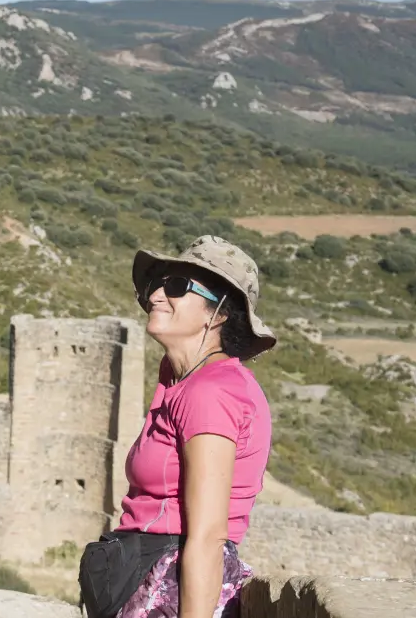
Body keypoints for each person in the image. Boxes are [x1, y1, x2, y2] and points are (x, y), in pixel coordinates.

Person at [78, 235, 276, 618]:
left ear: (218, 313)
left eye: (177, 287)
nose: (155, 296)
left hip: (169, 591)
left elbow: (208, 536)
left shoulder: (211, 392)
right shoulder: (180, 380)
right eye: (157, 285)